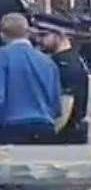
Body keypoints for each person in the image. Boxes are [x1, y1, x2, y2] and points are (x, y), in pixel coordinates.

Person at [0, 13, 61, 144]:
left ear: (2, 35)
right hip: (44, 126)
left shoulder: (3, 58)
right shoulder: (48, 62)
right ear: (27, 33)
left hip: (11, 127)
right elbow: (56, 103)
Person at [37, 22, 90, 145]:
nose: (40, 40)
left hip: (66, 135)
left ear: (58, 35)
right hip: (71, 131)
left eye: (44, 35)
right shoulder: (71, 58)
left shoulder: (64, 64)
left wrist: (52, 133)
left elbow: (66, 103)